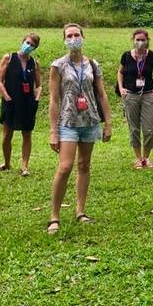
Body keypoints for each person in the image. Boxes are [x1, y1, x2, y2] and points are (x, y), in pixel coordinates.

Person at [47, 23, 112, 234]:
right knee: (65, 167)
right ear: (64, 40)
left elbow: (102, 95)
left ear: (83, 37)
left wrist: (108, 123)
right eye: (69, 35)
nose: (73, 38)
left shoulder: (92, 64)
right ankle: (54, 216)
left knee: (84, 165)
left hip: (90, 121)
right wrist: (53, 131)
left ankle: (80, 211)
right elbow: (54, 100)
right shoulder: (58, 66)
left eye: (76, 34)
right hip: (68, 122)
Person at [0, 33, 42, 176]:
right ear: (22, 41)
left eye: (32, 45)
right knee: (7, 134)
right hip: (10, 101)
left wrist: (36, 99)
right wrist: (7, 98)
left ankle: (25, 167)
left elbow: (39, 85)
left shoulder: (34, 63)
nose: (29, 46)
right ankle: (6, 163)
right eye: (27, 42)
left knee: (27, 134)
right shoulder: (8, 58)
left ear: (35, 48)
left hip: (27, 103)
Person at [117, 29, 153, 169]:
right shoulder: (126, 56)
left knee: (149, 128)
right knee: (134, 128)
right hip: (131, 95)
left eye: (143, 40)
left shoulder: (152, 56)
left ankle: (146, 157)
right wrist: (121, 88)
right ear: (133, 40)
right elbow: (120, 72)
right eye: (137, 40)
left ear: (147, 41)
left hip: (148, 95)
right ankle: (138, 159)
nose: (140, 42)